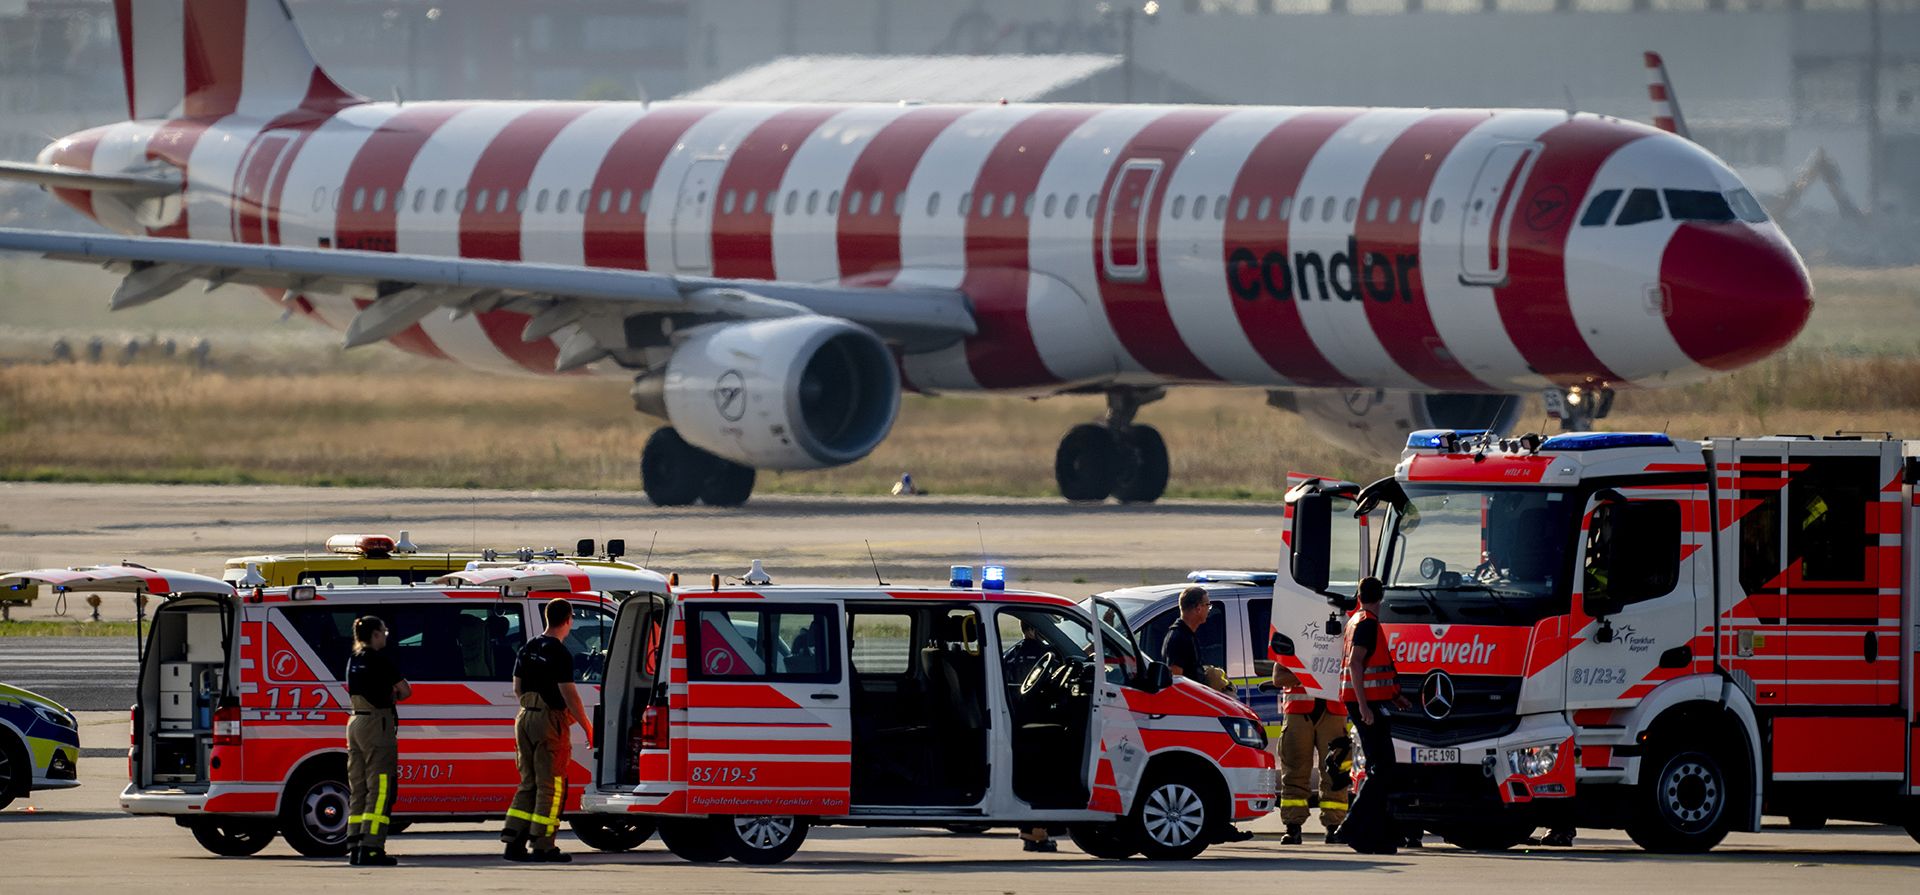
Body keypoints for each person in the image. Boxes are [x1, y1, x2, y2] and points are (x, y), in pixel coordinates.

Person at [501, 598, 592, 863]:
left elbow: (518, 688)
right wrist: (587, 726)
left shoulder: (528, 647)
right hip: (547, 721)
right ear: (569, 619)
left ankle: (513, 841)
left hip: (524, 716)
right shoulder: (559, 652)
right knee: (551, 785)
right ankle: (543, 845)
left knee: (528, 782)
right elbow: (569, 694)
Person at [1337, 577, 1408, 855]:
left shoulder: (1356, 620)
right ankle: (1353, 825)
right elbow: (1356, 664)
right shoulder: (1367, 624)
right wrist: (1365, 706)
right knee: (1383, 768)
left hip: (1369, 701)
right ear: (1382, 597)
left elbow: (1373, 668)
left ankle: (1373, 834)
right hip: (1365, 704)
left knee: (1382, 768)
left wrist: (1394, 695)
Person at [344, 615, 411, 867]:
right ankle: (372, 848)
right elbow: (405, 691)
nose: (385, 635)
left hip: (355, 722)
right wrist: (391, 693)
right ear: (373, 635)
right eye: (383, 631)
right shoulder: (380, 661)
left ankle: (355, 846)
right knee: (381, 788)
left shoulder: (353, 660)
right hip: (376, 725)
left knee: (358, 788)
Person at [1273, 665, 1349, 845]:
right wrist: (1311, 673)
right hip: (1298, 711)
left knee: (1336, 773)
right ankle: (1293, 828)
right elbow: (1279, 678)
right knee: (1294, 772)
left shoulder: (1341, 641)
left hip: (1334, 710)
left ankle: (1334, 827)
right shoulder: (1291, 642)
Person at [1160, 586, 1209, 680]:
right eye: (1208, 605)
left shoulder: (1187, 634)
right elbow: (1176, 680)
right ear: (1198, 608)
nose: (1209, 610)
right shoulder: (1179, 638)